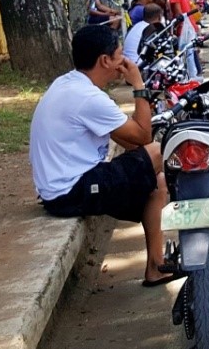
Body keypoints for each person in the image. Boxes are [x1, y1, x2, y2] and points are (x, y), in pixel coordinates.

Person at [30, 24, 174, 287]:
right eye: (120, 55)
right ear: (105, 60)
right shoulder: (87, 98)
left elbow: (129, 142)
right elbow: (143, 138)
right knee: (159, 151)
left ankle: (156, 266)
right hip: (71, 192)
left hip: (63, 188)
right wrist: (139, 85)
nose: (125, 61)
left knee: (158, 183)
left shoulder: (68, 84)